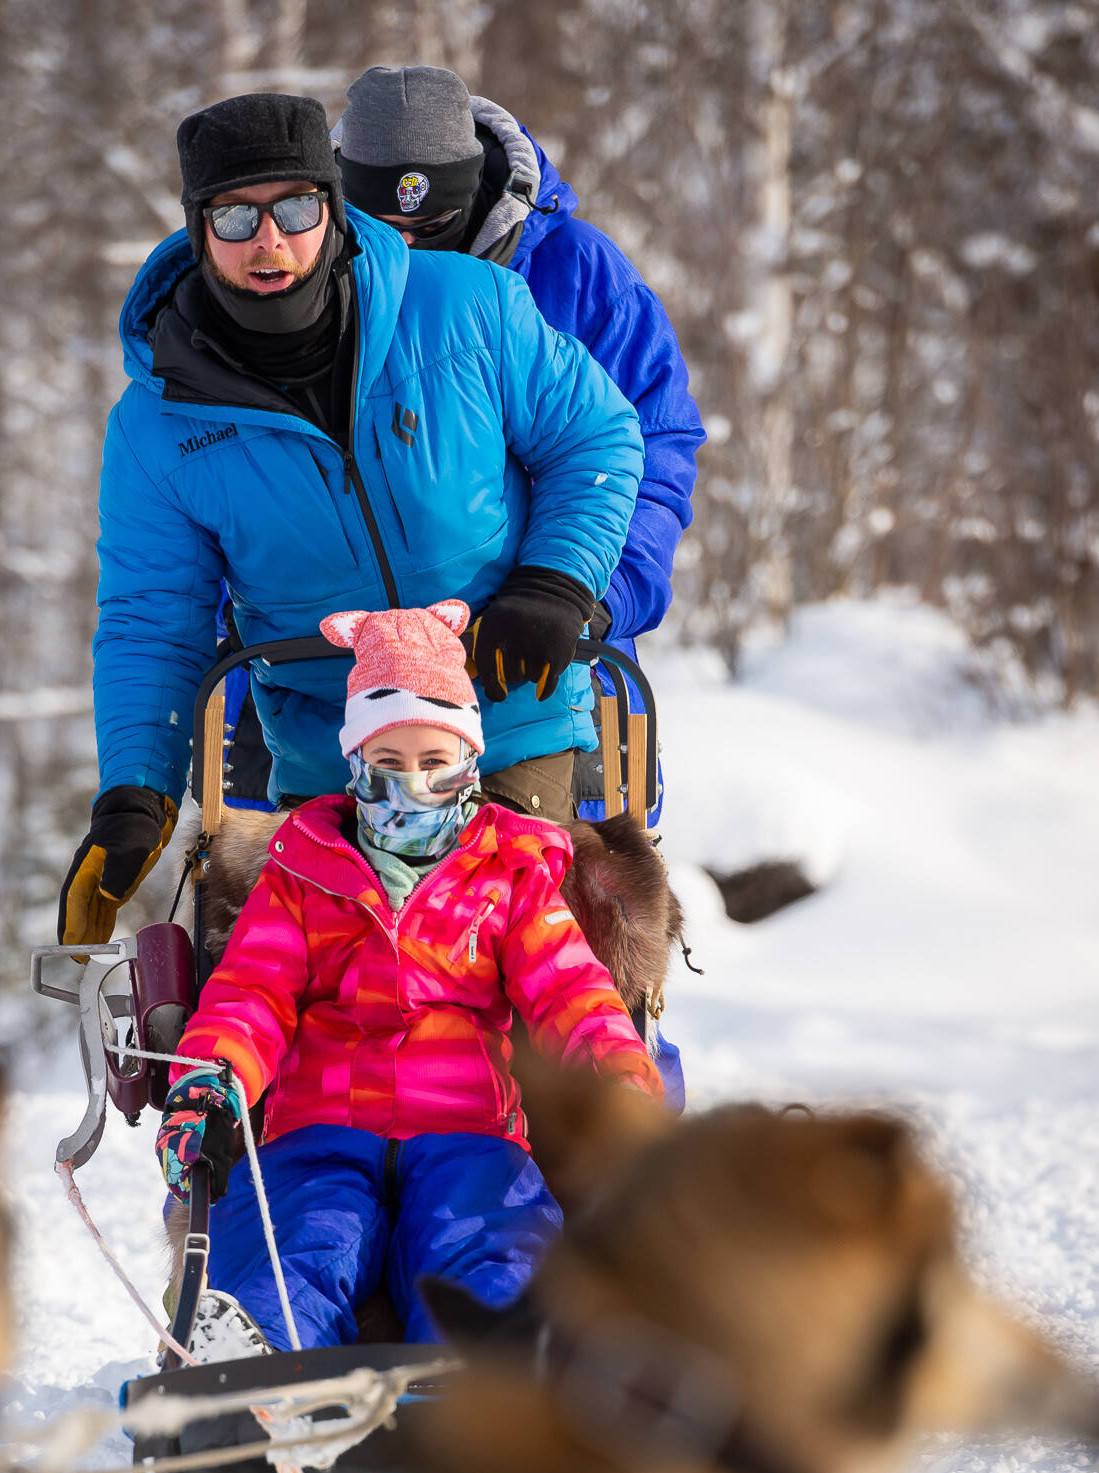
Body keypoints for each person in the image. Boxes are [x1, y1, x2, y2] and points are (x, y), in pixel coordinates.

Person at [58, 92, 645, 951]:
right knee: (339, 994)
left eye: (295, 208)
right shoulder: (158, 422)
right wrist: (136, 791)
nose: (269, 242)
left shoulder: (464, 306)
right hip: (330, 749)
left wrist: (554, 583)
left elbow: (596, 437)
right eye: (234, 217)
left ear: (332, 207)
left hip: (504, 713)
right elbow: (153, 616)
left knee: (512, 960)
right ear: (196, 228)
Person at [155, 601, 661, 1350]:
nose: (410, 786)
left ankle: (502, 1371)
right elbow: (249, 995)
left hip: (469, 1131)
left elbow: (569, 991)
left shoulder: (509, 873)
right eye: (386, 764)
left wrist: (620, 1083)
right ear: (354, 763)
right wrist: (212, 1082)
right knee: (293, 1242)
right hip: (321, 1130)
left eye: (434, 763)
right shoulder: (303, 870)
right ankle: (251, 1364)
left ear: (468, 765)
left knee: (492, 1245)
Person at [333, 65, 705, 681]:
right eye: (383, 235)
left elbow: (652, 444)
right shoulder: (293, 280)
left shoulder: (580, 272)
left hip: (537, 641)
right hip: (333, 661)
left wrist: (589, 597)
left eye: (431, 231)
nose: (408, 257)